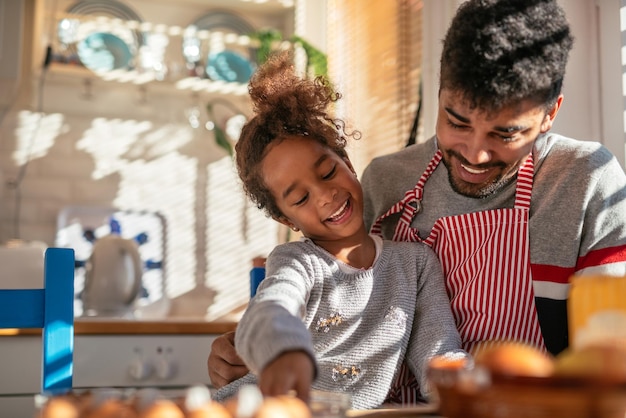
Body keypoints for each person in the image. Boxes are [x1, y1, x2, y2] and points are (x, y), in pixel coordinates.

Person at [208, 0, 626, 400]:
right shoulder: (386, 182)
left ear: (550, 113)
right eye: (456, 121)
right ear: (440, 89)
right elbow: (333, 305)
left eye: (504, 133)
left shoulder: (586, 180)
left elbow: (610, 360)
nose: (474, 155)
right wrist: (261, 348)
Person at [210, 51, 467, 409]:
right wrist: (283, 352)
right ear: (287, 220)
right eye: (300, 198)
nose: (326, 195)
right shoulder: (297, 262)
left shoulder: (415, 265)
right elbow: (269, 311)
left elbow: (439, 356)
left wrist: (474, 390)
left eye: (328, 172)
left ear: (346, 162)